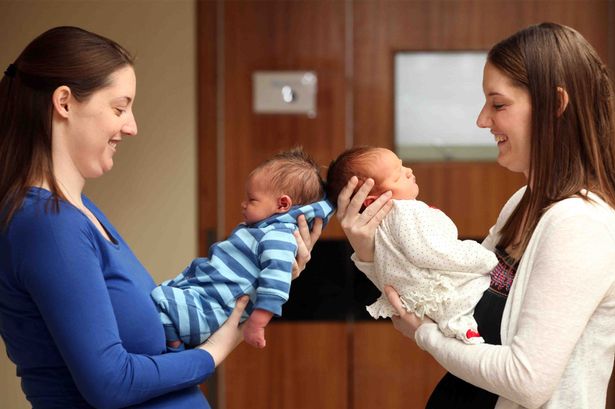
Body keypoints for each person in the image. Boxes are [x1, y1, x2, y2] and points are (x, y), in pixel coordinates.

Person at [0, 26, 321, 409]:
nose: (131, 126)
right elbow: (111, 383)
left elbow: (143, 347)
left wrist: (261, 277)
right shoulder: (47, 224)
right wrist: (214, 352)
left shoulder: (76, 212)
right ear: (65, 102)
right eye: (119, 108)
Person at [336, 22, 615, 409]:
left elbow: (526, 381)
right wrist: (370, 248)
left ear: (555, 105)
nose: (482, 120)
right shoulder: (523, 202)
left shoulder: (581, 224)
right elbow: (444, 294)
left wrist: (424, 335)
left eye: (498, 105)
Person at [152, 149, 334, 350]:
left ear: (283, 204)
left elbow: (276, 282)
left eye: (252, 199)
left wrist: (258, 323)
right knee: (159, 299)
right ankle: (175, 342)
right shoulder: (261, 230)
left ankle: (175, 345)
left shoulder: (279, 235)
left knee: (159, 301)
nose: (243, 204)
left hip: (211, 308)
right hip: (203, 298)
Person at [326, 146, 497, 344]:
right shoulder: (405, 211)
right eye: (397, 176)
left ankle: (461, 326)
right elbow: (429, 251)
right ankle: (458, 325)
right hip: (438, 291)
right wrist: (484, 258)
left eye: (402, 166)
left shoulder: (380, 228)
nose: (408, 171)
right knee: (472, 285)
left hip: (420, 301)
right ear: (373, 201)